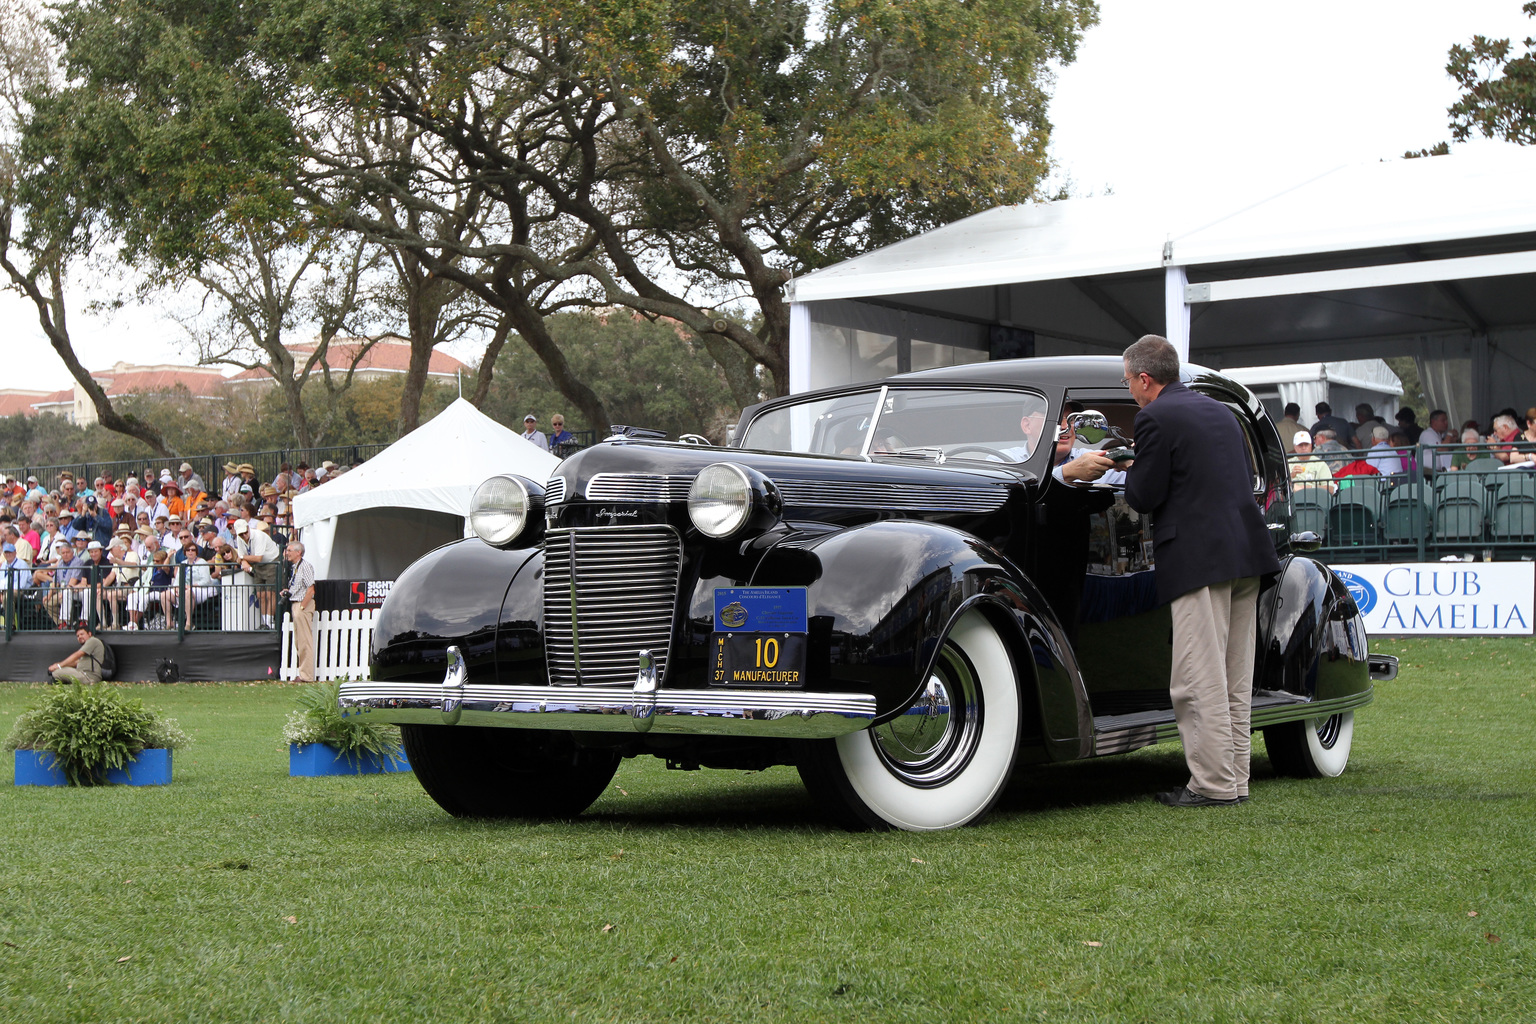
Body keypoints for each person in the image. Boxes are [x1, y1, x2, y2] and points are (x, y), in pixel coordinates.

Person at [1121, 335, 1280, 808]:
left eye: (1128, 381)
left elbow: (1144, 496)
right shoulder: (1221, 411)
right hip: (1244, 552)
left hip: (1196, 557)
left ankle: (1210, 785)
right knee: (1234, 676)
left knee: (1197, 677)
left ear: (1145, 379)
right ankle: (1235, 779)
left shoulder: (1154, 417)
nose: (1129, 389)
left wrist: (1127, 464)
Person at [285, 541, 317, 681]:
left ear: (298, 552)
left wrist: (303, 607)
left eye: (290, 550)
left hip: (302, 604)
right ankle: (303, 673)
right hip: (296, 603)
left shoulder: (305, 566)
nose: (287, 553)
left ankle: (307, 676)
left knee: (305, 641)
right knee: (299, 641)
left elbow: (311, 589)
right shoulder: (296, 567)